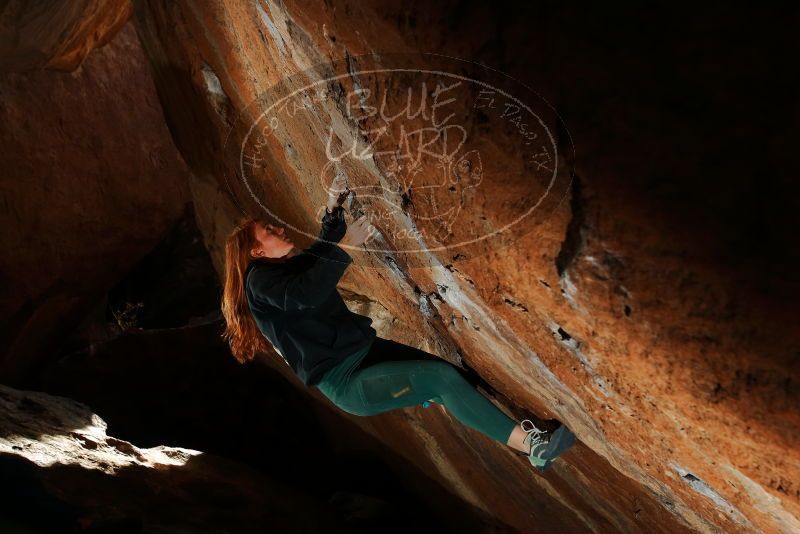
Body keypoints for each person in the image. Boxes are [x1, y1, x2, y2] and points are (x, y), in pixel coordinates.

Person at [221, 179, 575, 472]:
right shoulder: (259, 281)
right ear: (257, 252)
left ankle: (525, 442)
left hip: (364, 354)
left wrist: (333, 210)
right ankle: (534, 448)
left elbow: (318, 257)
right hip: (347, 380)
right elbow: (308, 293)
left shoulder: (279, 271)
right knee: (441, 380)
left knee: (447, 377)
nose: (278, 227)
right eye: (268, 230)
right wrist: (347, 247)